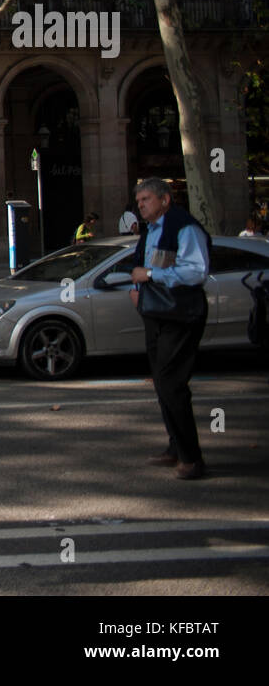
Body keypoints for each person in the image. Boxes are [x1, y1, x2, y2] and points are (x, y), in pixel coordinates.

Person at [129, 178, 212, 480]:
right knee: (162, 382)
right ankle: (176, 446)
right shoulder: (151, 231)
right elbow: (142, 266)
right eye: (138, 201)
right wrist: (136, 285)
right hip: (156, 311)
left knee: (171, 382)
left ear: (165, 200)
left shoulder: (184, 226)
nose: (141, 205)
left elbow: (196, 271)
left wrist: (150, 275)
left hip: (181, 312)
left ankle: (192, 457)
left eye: (146, 199)